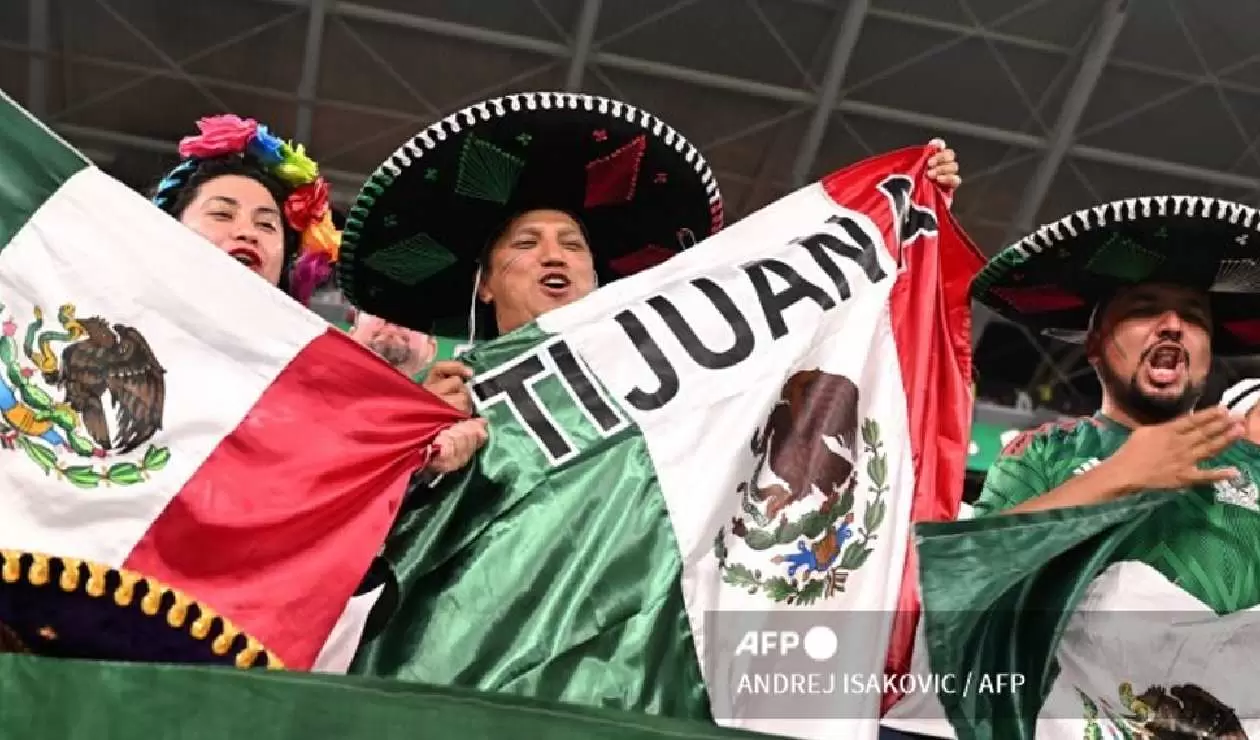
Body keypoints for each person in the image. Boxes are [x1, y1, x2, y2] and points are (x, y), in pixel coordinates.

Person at [882, 197, 1260, 739]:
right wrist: (1120, 476)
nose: (1173, 324)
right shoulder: (1045, 455)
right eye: (1144, 308)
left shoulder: (1253, 467)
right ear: (1095, 345)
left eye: (1194, 317)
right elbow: (958, 576)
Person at [151, 113, 485, 475]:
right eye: (221, 214)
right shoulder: (102, 322)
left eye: (266, 224)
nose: (247, 232)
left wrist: (414, 447)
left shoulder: (302, 383)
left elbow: (320, 487)